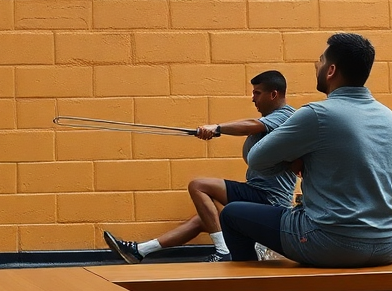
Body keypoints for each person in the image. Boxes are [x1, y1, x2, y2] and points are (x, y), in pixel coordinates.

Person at [219, 33, 392, 267]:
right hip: (389, 244)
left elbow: (256, 159)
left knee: (232, 214)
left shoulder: (317, 114)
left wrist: (295, 161)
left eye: (321, 60)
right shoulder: (391, 118)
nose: (317, 65)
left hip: (331, 243)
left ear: (331, 70)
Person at [103, 71, 298, 264]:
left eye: (257, 93)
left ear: (274, 94)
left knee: (198, 186)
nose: (252, 98)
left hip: (269, 199)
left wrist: (217, 128)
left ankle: (223, 251)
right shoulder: (271, 120)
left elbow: (251, 125)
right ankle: (140, 251)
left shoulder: (286, 116)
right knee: (204, 218)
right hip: (256, 191)